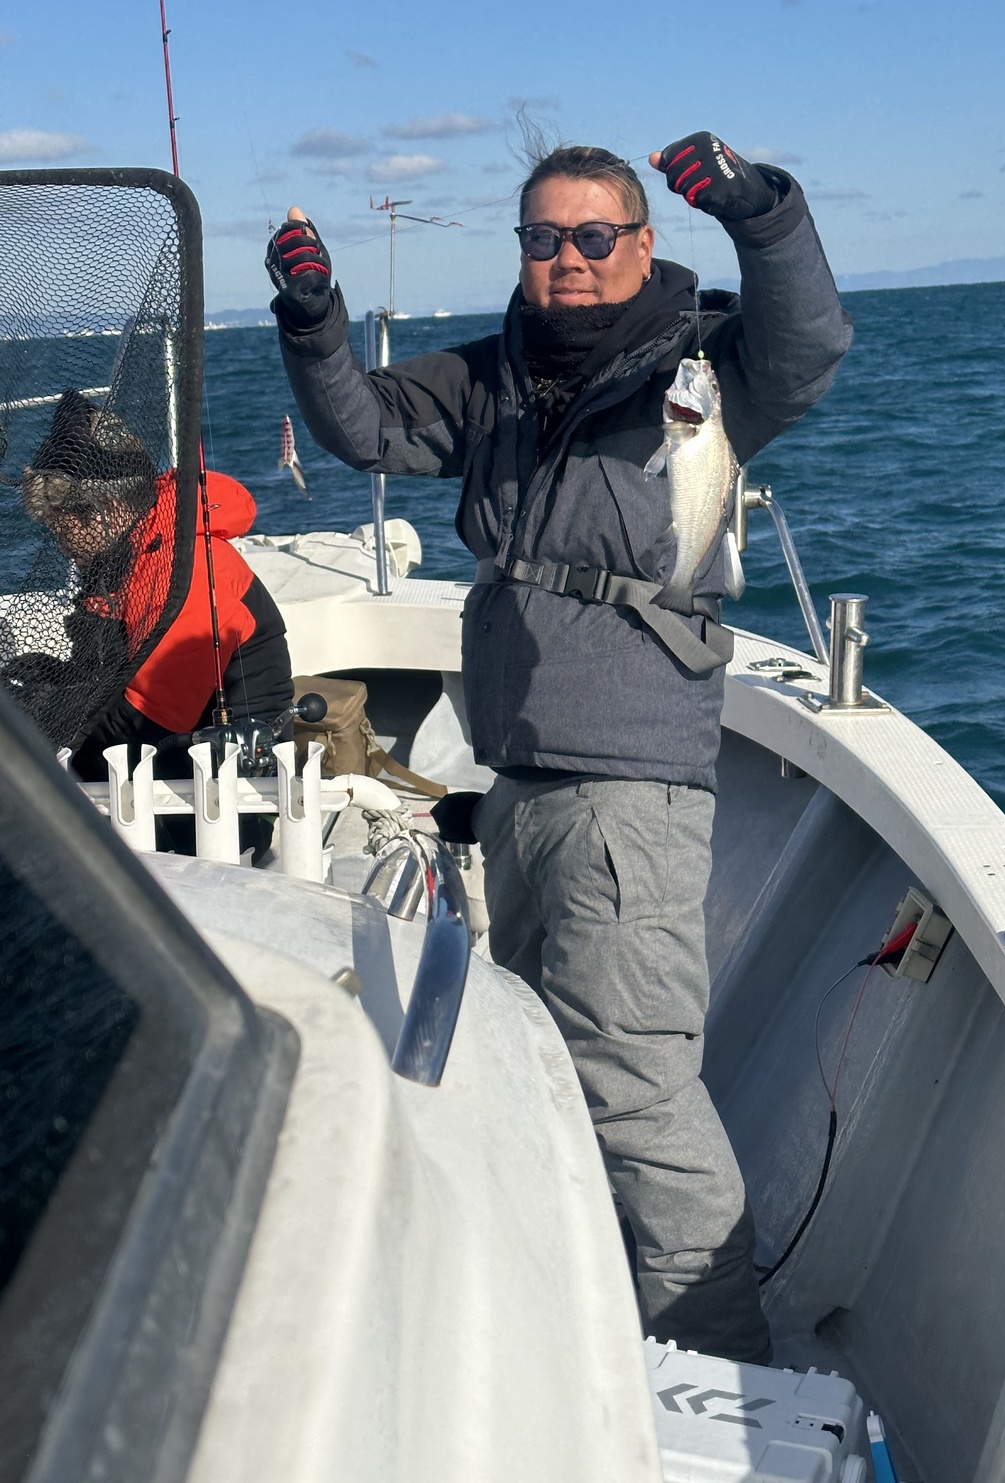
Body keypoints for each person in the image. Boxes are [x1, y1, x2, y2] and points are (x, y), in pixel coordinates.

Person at [266, 132, 851, 1363]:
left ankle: (721, 1371)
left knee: (633, 1094)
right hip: (520, 780)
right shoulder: (494, 376)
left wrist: (760, 213)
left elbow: (808, 344)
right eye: (544, 238)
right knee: (543, 1067)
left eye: (594, 236)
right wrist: (314, 323)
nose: (569, 259)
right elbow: (364, 430)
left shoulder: (704, 368)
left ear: (642, 243)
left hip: (629, 786)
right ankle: (589, 1329)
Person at [10, 391, 292, 853]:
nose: (59, 544)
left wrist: (44, 710)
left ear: (104, 511)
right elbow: (110, 673)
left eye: (60, 526)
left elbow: (144, 723)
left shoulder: (189, 573)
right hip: (163, 763)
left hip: (225, 801)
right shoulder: (133, 555)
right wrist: (53, 678)